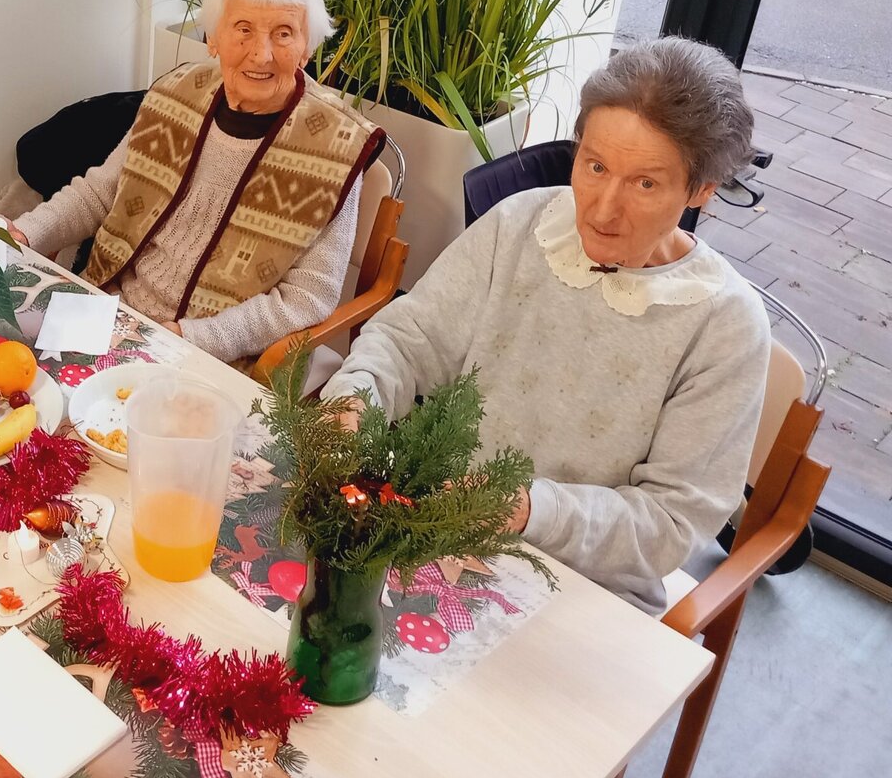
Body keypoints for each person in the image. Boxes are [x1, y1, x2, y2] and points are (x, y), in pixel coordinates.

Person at [323, 38, 771, 613]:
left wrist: (528, 508)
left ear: (702, 189)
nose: (602, 209)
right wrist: (357, 397)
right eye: (595, 166)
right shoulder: (520, 223)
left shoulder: (724, 325)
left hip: (581, 589)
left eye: (645, 183)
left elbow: (670, 522)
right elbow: (408, 343)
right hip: (425, 521)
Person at [7, 0, 384, 363]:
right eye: (243, 29)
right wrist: (24, 232)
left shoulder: (334, 148)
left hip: (217, 355)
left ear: (306, 47)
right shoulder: (178, 93)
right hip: (110, 312)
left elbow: (307, 298)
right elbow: (100, 193)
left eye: (283, 33)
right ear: (214, 38)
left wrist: (190, 337)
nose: (261, 54)